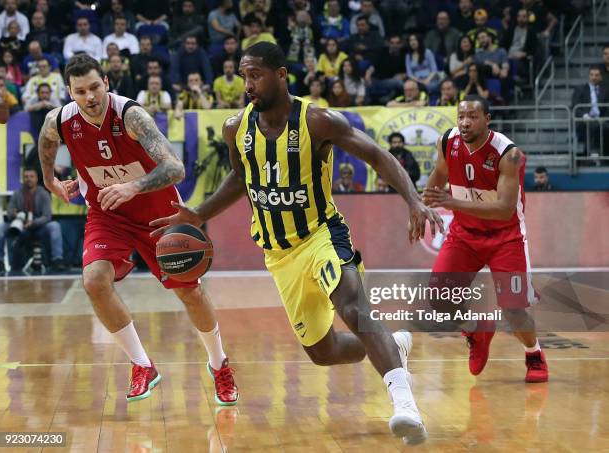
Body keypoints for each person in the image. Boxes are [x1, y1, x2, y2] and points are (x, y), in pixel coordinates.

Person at [150, 42, 443, 445]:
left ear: (281, 74)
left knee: (355, 309)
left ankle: (405, 405)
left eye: (255, 75)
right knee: (322, 352)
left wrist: (412, 199)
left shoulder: (316, 120)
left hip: (323, 234)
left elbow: (376, 155)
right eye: (243, 76)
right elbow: (240, 177)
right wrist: (200, 213)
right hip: (279, 253)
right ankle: (392, 346)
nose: (248, 84)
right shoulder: (236, 128)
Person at [37, 54, 238, 405]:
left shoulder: (131, 115)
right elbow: (46, 139)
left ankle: (219, 364)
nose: (90, 97)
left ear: (107, 84)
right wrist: (49, 179)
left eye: (95, 87)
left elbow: (175, 169)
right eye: (81, 91)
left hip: (158, 214)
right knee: (94, 281)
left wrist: (134, 186)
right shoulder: (61, 119)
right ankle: (142, 365)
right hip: (107, 214)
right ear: (69, 92)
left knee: (189, 293)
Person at [422, 95, 549, 384]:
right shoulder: (448, 141)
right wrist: (420, 209)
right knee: (439, 298)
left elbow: (504, 210)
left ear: (487, 119)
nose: (465, 122)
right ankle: (478, 329)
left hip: (506, 237)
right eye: (461, 116)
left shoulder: (509, 154)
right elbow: (439, 175)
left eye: (473, 116)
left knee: (514, 310)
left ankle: (534, 353)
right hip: (465, 235)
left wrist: (452, 204)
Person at [0, 168, 65, 273]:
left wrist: (33, 222)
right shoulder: (17, 194)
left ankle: (57, 260)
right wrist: (14, 214)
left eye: (31, 176)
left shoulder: (43, 194)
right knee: (0, 227)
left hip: (38, 227)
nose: (29, 179)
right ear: (23, 179)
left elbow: (47, 216)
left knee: (54, 226)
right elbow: (10, 212)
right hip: (20, 227)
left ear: (37, 178)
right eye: (26, 177)